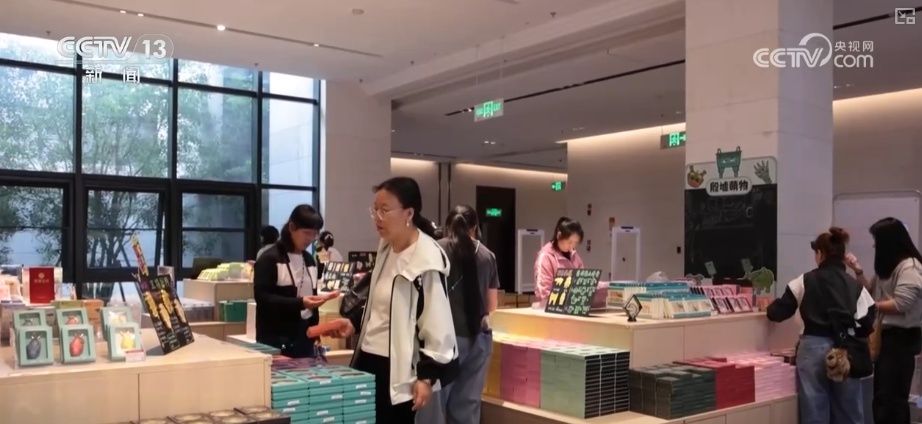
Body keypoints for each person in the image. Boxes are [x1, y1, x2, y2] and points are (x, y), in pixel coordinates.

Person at [329, 177, 457, 424]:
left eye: (384, 211)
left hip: (397, 369)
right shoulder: (387, 248)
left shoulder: (426, 259)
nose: (377, 218)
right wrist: (354, 323)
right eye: (374, 210)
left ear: (409, 213)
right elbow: (383, 303)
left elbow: (437, 325)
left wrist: (427, 377)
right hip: (367, 359)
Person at [766, 227, 876, 424]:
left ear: (820, 253)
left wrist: (767, 307)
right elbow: (868, 320)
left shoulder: (804, 280)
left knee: (815, 409)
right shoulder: (855, 286)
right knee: (849, 411)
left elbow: (777, 312)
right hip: (846, 350)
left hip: (812, 347)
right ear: (842, 256)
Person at [417, 205, 500, 424]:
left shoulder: (435, 250)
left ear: (447, 225)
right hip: (478, 339)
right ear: (475, 227)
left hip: (441, 341)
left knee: (432, 407)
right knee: (467, 405)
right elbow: (492, 304)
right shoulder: (488, 255)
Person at [846, 217, 922, 424]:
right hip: (887, 338)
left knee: (891, 398)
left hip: (901, 338)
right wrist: (858, 270)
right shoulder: (888, 268)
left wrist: (870, 307)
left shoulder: (909, 267)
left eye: (876, 241)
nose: (874, 246)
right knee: (883, 395)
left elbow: (901, 304)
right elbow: (870, 291)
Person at [253, 205, 334, 358]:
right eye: (306, 233)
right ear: (292, 227)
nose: (311, 238)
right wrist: (301, 303)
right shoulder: (270, 259)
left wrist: (315, 331)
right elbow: (262, 298)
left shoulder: (309, 259)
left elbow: (311, 300)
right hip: (275, 340)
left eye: (314, 234)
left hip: (305, 338)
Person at [533, 216, 585, 307]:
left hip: (572, 307)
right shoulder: (545, 257)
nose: (572, 246)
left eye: (575, 243)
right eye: (569, 242)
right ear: (559, 235)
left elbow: (583, 281)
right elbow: (543, 292)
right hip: (550, 309)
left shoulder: (574, 256)